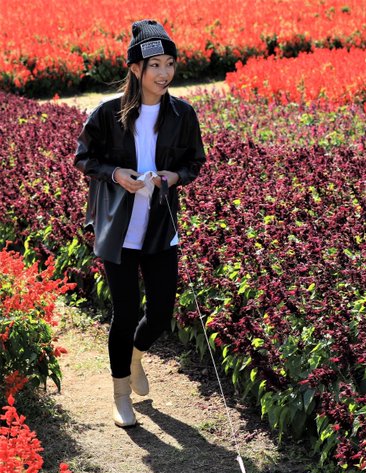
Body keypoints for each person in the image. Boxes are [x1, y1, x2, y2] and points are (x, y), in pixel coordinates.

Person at [75, 19, 206, 427]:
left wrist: (173, 177)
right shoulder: (107, 113)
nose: (165, 73)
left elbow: (194, 162)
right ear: (136, 68)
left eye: (170, 64)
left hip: (160, 227)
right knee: (126, 312)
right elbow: (84, 158)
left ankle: (135, 357)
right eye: (155, 65)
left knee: (162, 313)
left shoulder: (182, 114)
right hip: (119, 229)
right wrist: (117, 174)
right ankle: (120, 395)